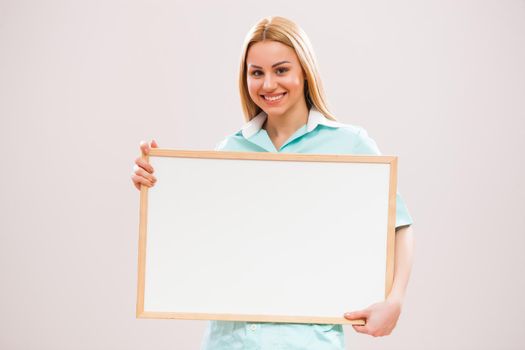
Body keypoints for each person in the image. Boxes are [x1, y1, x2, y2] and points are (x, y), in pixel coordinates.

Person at [131, 15, 414, 350]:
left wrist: (395, 300)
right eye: (256, 73)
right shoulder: (230, 150)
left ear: (304, 71)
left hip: (307, 341)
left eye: (281, 70)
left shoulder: (349, 146)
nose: (268, 85)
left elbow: (399, 225)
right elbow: (202, 238)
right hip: (229, 341)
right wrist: (160, 185)